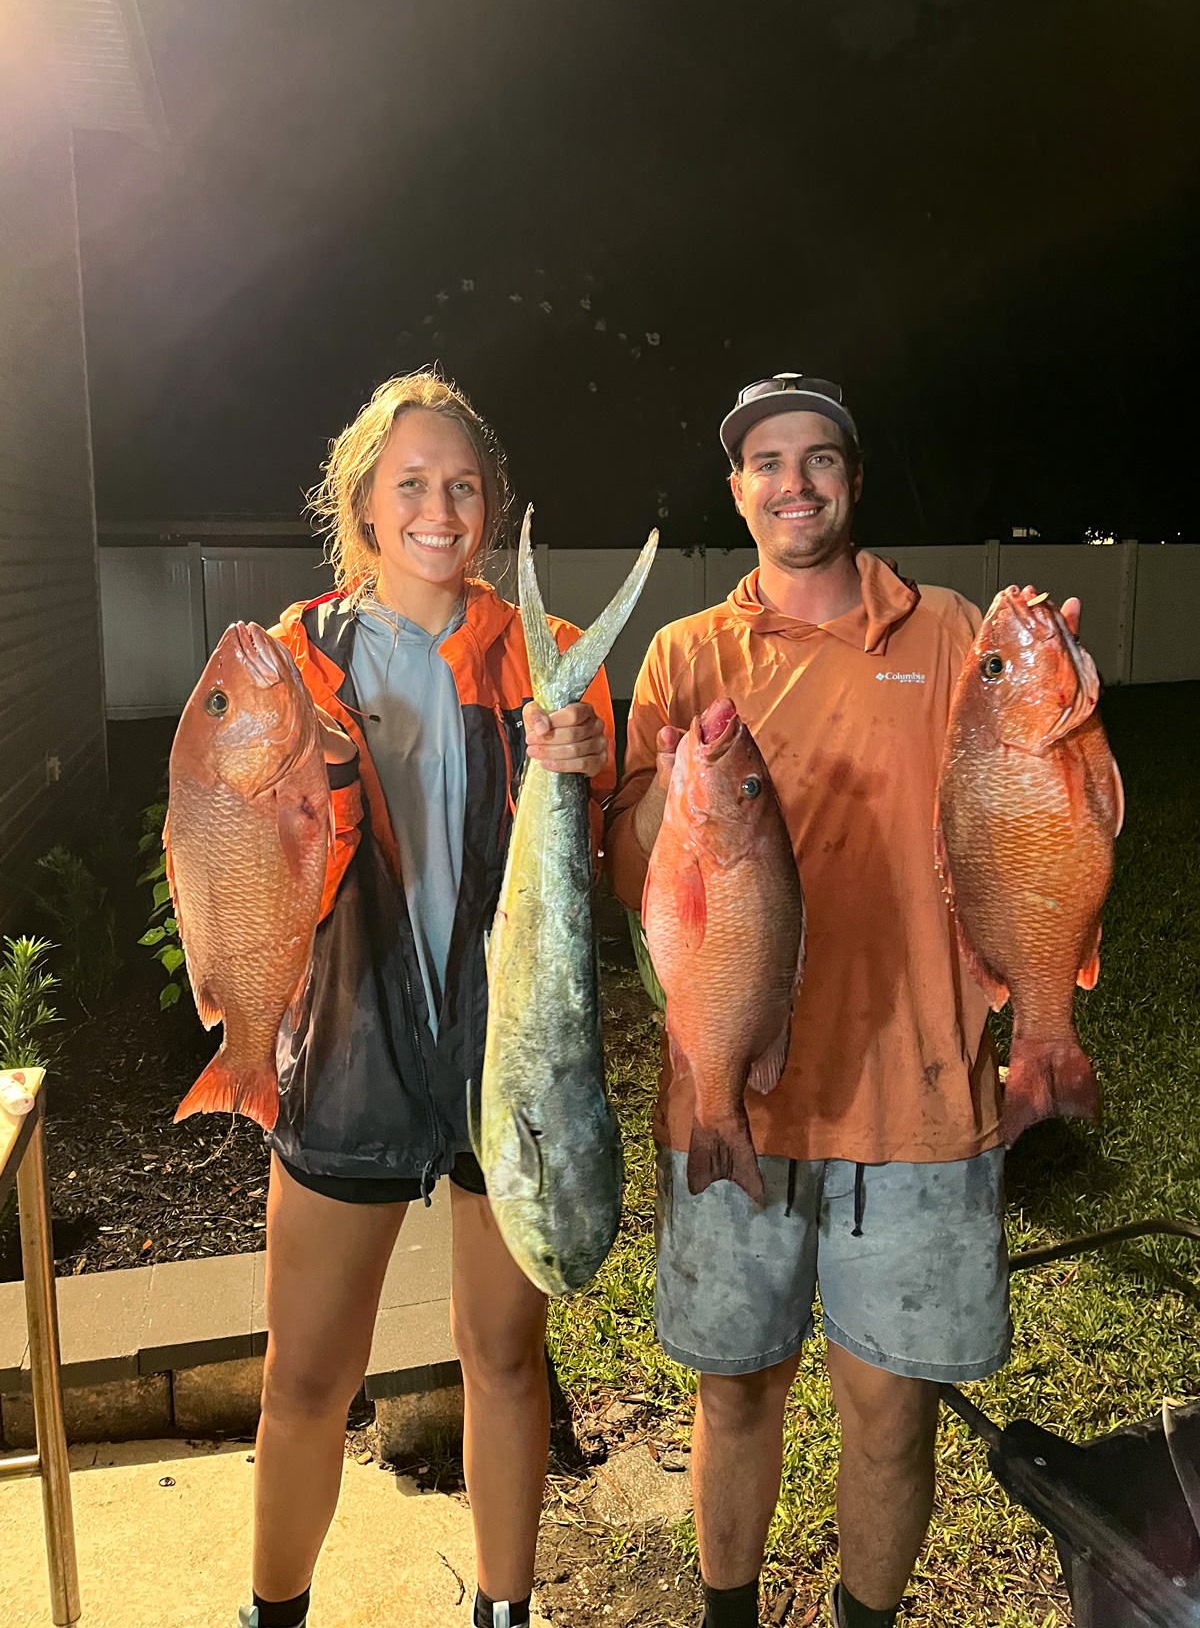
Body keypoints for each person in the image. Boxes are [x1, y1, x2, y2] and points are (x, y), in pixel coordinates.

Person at [606, 374, 1036, 1628]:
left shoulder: (952, 630)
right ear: (737, 491)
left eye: (820, 458)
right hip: (734, 1088)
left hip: (917, 1093)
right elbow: (634, 877)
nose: (795, 482)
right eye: (767, 462)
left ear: (851, 478)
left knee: (889, 1416)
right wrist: (632, 797)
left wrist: (1057, 697)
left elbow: (1022, 783)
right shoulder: (688, 659)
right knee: (735, 1392)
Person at [239, 371, 614, 1628]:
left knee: (505, 1358)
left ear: (491, 506)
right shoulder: (292, 654)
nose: (439, 507)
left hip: (508, 1057)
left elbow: (600, 852)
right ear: (363, 505)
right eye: (411, 484)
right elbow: (236, 845)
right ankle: (272, 1610)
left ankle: (505, 1611)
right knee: (305, 1377)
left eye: (462, 485)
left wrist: (590, 767)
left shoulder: (549, 657)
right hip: (348, 1047)